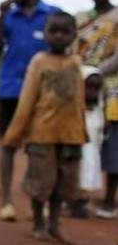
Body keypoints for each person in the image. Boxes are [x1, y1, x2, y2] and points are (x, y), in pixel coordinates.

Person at [3, 11, 87, 243]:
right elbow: (27, 101)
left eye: (65, 31)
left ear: (73, 34)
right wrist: (15, 134)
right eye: (53, 31)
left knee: (64, 184)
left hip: (70, 135)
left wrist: (82, 133)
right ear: (45, 33)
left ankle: (54, 225)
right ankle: (39, 225)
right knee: (41, 183)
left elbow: (79, 101)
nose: (59, 36)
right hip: (42, 134)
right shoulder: (39, 61)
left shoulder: (76, 63)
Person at [0, 0, 59, 222]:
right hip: (10, 89)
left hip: (43, 94)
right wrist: (0, 18)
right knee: (8, 144)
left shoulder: (52, 14)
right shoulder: (8, 16)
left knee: (38, 148)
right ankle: (6, 201)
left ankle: (36, 201)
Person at [75, 0, 118, 219]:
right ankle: (79, 195)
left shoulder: (116, 18)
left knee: (113, 144)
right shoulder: (81, 18)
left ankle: (110, 199)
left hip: (112, 88)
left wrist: (95, 72)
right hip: (81, 86)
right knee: (82, 138)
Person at [70, 66, 105, 218]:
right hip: (77, 150)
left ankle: (82, 201)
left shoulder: (98, 109)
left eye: (96, 88)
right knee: (75, 174)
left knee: (87, 176)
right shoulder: (73, 108)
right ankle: (73, 201)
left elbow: (100, 130)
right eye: (88, 87)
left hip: (91, 150)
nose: (92, 92)